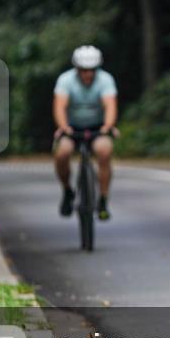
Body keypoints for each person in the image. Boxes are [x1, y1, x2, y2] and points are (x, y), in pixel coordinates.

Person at [53, 45, 118, 221]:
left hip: (98, 127)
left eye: (91, 70)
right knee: (62, 153)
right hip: (72, 127)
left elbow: (110, 105)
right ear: (77, 69)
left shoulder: (105, 80)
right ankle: (67, 190)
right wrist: (64, 126)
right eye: (83, 70)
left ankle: (103, 199)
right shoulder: (65, 80)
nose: (87, 74)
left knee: (104, 151)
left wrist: (108, 125)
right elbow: (60, 106)